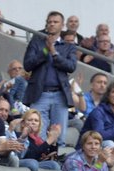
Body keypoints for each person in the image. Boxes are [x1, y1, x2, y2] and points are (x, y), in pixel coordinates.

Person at [22, 10, 76, 140]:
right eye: (49, 22)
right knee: (37, 134)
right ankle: (39, 159)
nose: (52, 24)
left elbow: (71, 66)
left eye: (55, 22)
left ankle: (56, 160)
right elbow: (27, 64)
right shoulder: (37, 41)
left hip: (60, 95)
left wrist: (55, 53)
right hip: (40, 94)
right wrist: (46, 50)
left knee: (59, 136)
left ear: (62, 25)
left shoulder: (68, 46)